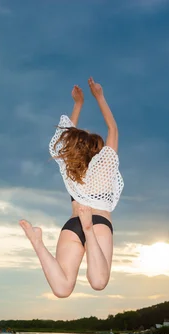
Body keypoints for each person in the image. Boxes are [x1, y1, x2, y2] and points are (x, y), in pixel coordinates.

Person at [19, 77, 124, 298]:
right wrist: (100, 97)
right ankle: (88, 229)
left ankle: (38, 243)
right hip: (97, 224)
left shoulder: (73, 170)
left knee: (62, 289)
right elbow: (112, 128)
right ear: (98, 150)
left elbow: (64, 136)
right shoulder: (105, 166)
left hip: (73, 222)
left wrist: (78, 104)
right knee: (98, 282)